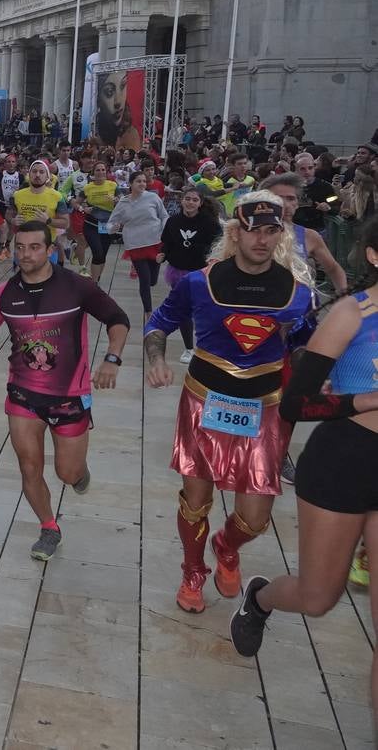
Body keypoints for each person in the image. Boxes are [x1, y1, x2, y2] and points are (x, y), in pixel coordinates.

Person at [143, 193, 315, 614]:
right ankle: (191, 570)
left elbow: (306, 348)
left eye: (271, 230)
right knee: (195, 500)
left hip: (264, 408)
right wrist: (156, 359)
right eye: (253, 229)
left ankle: (226, 545)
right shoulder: (199, 282)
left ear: (281, 234)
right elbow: (159, 323)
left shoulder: (298, 294)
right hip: (204, 402)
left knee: (255, 519)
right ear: (235, 233)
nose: (261, 239)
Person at [229, 220, 378, 680]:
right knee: (319, 598)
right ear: (374, 255)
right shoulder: (353, 315)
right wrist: (367, 399)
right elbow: (298, 403)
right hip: (346, 461)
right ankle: (260, 598)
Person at [0, 221, 130, 561]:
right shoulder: (4, 293)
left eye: (34, 247)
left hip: (70, 397)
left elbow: (117, 318)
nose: (26, 254)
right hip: (23, 396)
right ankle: (48, 527)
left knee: (67, 473)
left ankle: (79, 472)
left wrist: (112, 359)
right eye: (20, 247)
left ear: (50, 250)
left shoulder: (77, 287)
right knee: (29, 468)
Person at [158, 186, 222, 363]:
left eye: (195, 200)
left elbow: (219, 245)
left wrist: (215, 260)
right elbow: (167, 242)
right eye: (188, 199)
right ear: (182, 200)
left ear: (200, 203)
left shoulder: (209, 222)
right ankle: (188, 349)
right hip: (178, 271)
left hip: (201, 273)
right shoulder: (173, 221)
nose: (190, 202)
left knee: (203, 310)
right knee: (184, 310)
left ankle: (209, 345)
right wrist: (163, 254)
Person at [261, 173, 348, 293]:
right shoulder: (248, 233)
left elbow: (333, 269)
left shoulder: (309, 236)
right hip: (258, 307)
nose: (285, 204)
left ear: (297, 203)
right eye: (278, 198)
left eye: (291, 198)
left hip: (297, 307)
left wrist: (344, 297)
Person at [105, 171, 169, 319]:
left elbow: (164, 215)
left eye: (144, 181)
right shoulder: (123, 202)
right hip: (135, 244)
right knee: (145, 280)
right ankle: (148, 312)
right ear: (131, 184)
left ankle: (148, 305)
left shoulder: (152, 197)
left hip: (155, 241)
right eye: (138, 181)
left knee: (153, 280)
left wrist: (165, 231)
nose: (142, 184)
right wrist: (113, 228)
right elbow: (110, 223)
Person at [76, 162, 118, 281]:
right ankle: (93, 283)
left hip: (107, 224)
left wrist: (116, 200)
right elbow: (76, 202)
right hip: (91, 223)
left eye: (103, 170)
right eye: (98, 170)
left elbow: (122, 200)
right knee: (97, 252)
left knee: (103, 255)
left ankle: (97, 278)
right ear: (93, 173)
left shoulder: (113, 185)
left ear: (106, 171)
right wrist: (83, 209)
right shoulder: (88, 187)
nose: (100, 172)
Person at [94, 71, 142, 151]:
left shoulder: (131, 135)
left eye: (123, 86)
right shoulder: (97, 129)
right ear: (98, 99)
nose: (118, 102)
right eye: (109, 92)